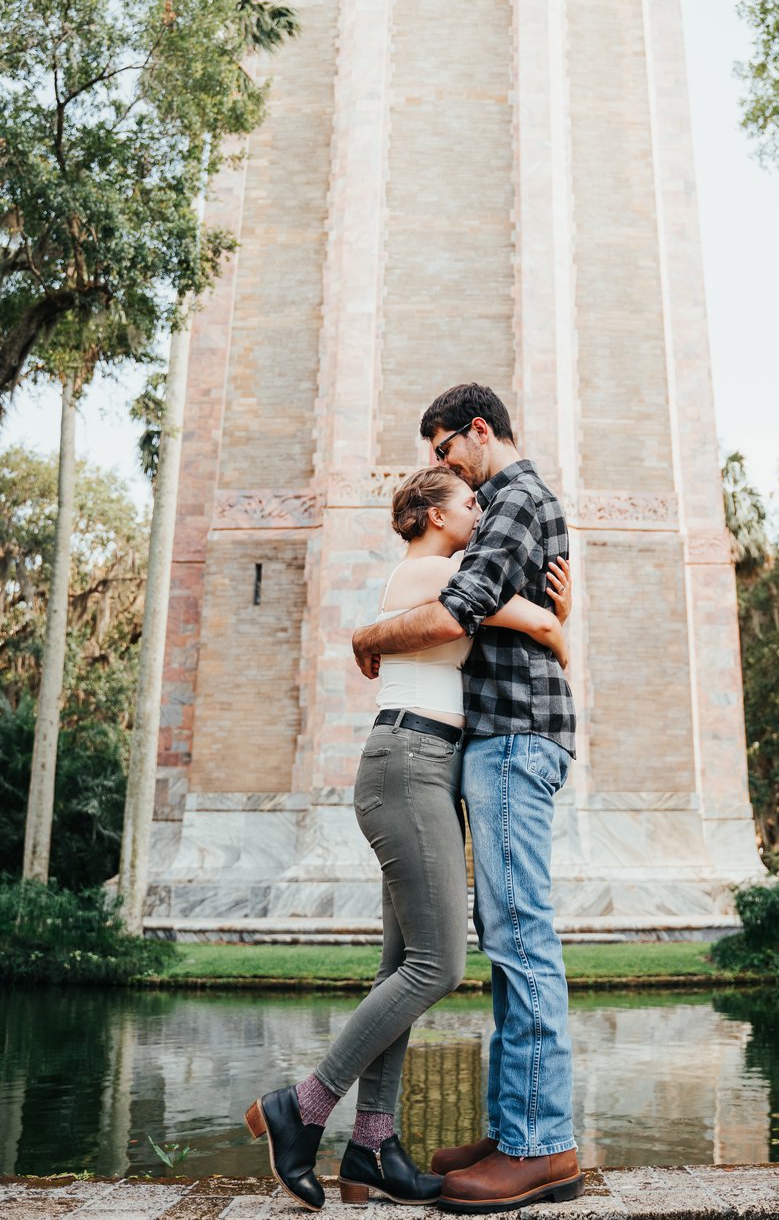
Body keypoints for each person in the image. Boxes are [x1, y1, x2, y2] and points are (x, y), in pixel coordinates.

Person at [245, 465, 570, 1212]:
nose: (480, 510)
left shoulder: (428, 571)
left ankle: (374, 1147)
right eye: (466, 503)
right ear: (431, 513)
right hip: (410, 765)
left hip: (416, 767)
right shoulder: (444, 569)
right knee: (439, 965)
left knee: (402, 963)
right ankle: (305, 1104)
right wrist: (563, 613)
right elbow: (544, 626)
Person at [352, 383, 582, 1214]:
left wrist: (368, 636)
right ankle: (516, 1125)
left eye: (446, 453)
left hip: (516, 737)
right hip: (502, 734)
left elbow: (460, 606)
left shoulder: (515, 496)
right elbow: (512, 612)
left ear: (479, 432)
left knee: (519, 932)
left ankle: (542, 1147)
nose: (447, 473)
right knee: (504, 934)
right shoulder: (508, 504)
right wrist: (555, 623)